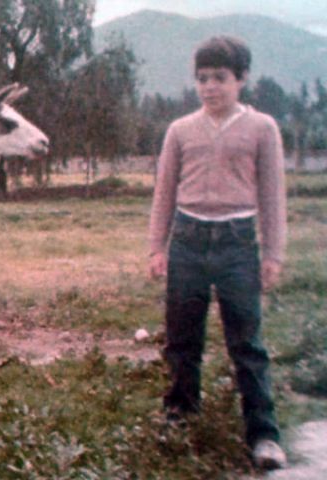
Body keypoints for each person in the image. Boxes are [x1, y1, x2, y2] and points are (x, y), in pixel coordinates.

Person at [148, 35, 287, 470]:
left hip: (237, 245)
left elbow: (272, 195)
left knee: (247, 343)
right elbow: (164, 192)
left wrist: (273, 254)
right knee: (182, 338)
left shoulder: (262, 128)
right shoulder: (180, 130)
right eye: (202, 79)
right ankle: (180, 417)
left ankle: (263, 434)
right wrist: (158, 246)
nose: (210, 87)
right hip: (188, 241)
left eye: (220, 79)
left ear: (242, 79)